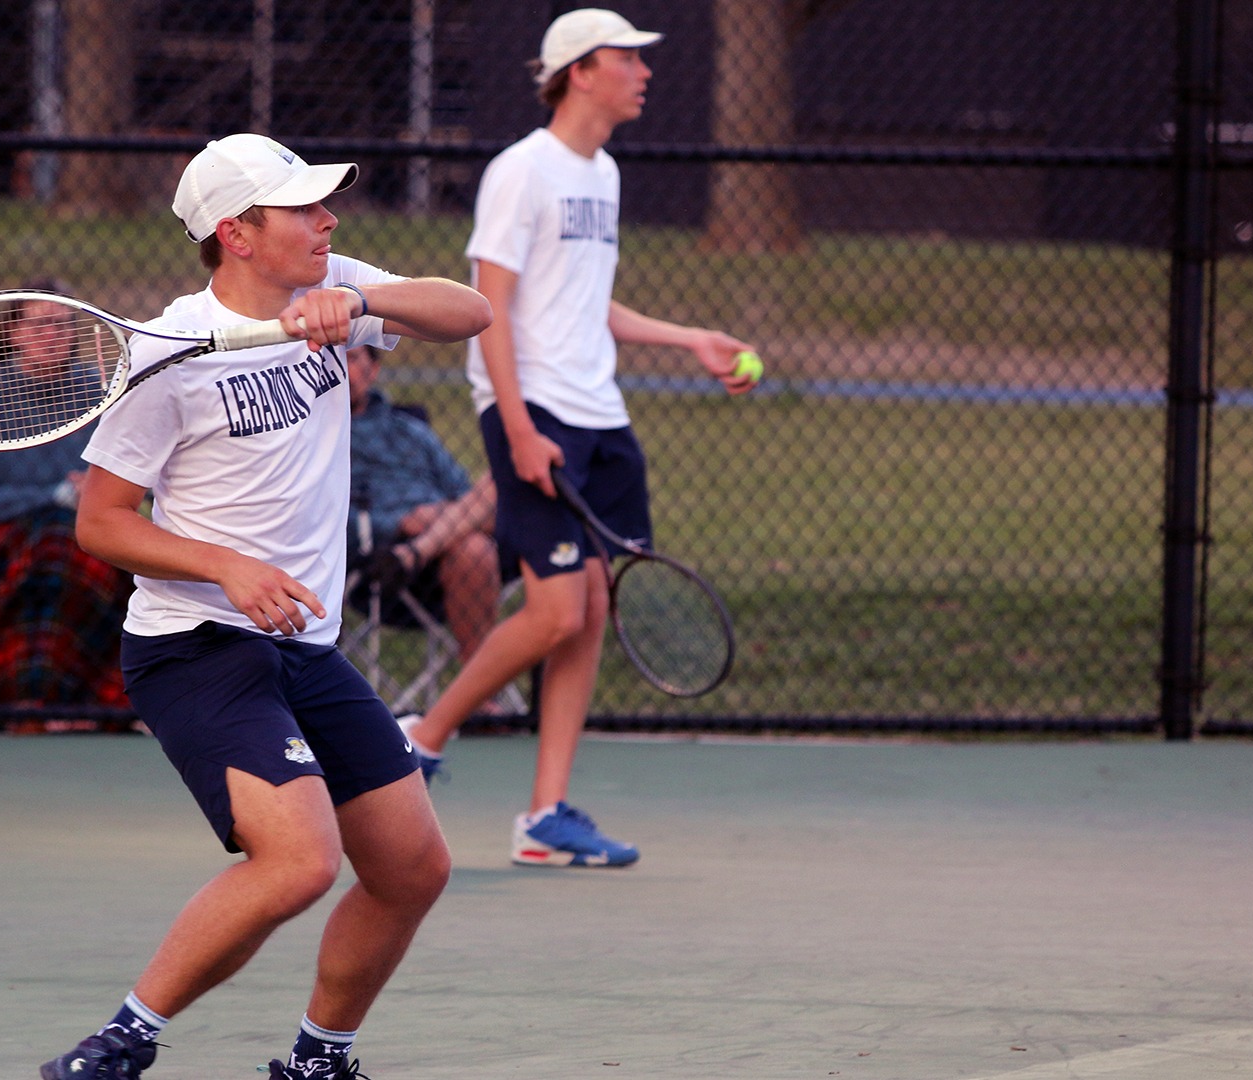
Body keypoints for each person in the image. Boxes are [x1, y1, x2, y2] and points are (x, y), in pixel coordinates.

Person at [40, 134, 491, 1080]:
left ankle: (317, 1062)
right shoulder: (167, 355)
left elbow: (472, 310)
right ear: (237, 235)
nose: (328, 221)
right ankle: (125, 1038)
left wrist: (363, 301)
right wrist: (224, 567)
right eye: (303, 209)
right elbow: (102, 522)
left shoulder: (335, 288)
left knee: (413, 869)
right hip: (197, 643)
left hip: (304, 645)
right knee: (298, 863)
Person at [398, 9, 760, 869]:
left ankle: (545, 814)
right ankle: (423, 737)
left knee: (592, 608)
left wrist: (691, 339)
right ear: (579, 70)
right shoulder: (521, 171)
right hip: (537, 415)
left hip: (604, 418)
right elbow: (491, 307)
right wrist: (517, 427)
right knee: (559, 604)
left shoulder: (603, 174)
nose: (643, 71)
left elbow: (586, 302)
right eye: (626, 59)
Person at [0, 277, 130, 719]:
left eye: (61, 326)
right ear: (13, 332)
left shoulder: (97, 388)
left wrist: (99, 493)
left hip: (89, 531)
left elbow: (124, 476)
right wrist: (51, 495)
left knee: (79, 550)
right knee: (53, 550)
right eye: (38, 326)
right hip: (11, 535)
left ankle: (87, 706)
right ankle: (29, 704)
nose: (50, 337)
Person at [346, 342, 501, 662]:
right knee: (473, 549)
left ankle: (421, 548)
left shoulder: (412, 431)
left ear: (373, 370)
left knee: (503, 478)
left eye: (350, 358)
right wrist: (400, 522)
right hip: (380, 565)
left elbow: (464, 492)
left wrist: (437, 517)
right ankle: (481, 699)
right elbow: (310, 515)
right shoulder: (310, 435)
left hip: (443, 542)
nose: (338, 369)